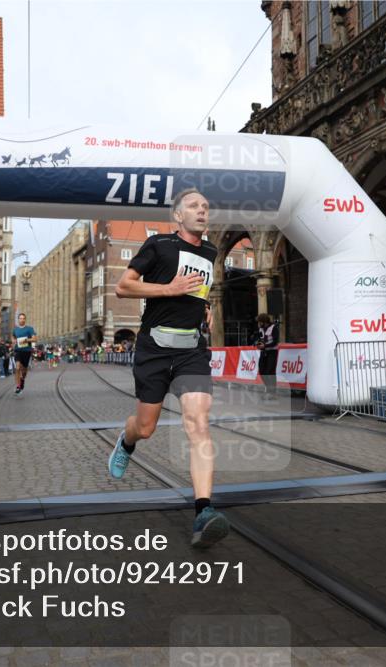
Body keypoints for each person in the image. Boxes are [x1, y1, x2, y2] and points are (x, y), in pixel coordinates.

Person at [108, 188, 228, 549]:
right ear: (178, 216)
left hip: (191, 347)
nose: (202, 211)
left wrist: (201, 306)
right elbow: (122, 287)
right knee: (146, 427)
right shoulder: (158, 245)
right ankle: (126, 441)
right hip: (154, 347)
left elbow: (198, 289)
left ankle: (203, 511)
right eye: (194, 206)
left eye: (206, 206)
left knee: (198, 423)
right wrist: (170, 288)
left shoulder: (210, 250)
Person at [252, 313, 279, 401]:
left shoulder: (273, 328)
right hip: (264, 352)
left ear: (264, 322)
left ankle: (272, 392)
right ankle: (268, 389)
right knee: (262, 371)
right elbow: (260, 339)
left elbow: (275, 342)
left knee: (270, 371)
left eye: (260, 322)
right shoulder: (261, 329)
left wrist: (265, 346)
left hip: (272, 352)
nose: (259, 324)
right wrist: (257, 343)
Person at [11, 313, 37, 394]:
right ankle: (18, 386)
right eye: (20, 318)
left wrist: (25, 340)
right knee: (17, 368)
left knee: (24, 371)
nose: (22, 320)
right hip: (18, 350)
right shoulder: (15, 329)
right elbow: (13, 336)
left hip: (26, 351)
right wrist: (13, 340)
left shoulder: (29, 329)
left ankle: (22, 380)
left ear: (25, 320)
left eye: (23, 318)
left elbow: (35, 339)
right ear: (18, 320)